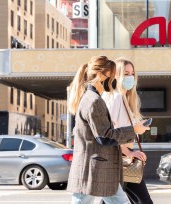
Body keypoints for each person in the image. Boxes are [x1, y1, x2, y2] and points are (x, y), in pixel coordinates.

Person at [66, 56, 150, 204]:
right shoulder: (94, 101)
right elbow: (104, 137)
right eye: (112, 76)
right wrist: (134, 130)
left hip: (102, 166)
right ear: (100, 76)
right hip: (95, 167)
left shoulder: (93, 98)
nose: (114, 81)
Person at [102, 58, 153, 204]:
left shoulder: (123, 98)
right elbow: (110, 132)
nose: (130, 77)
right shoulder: (116, 97)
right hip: (121, 158)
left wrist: (137, 128)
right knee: (143, 201)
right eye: (126, 73)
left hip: (121, 158)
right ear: (116, 75)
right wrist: (129, 152)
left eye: (132, 73)